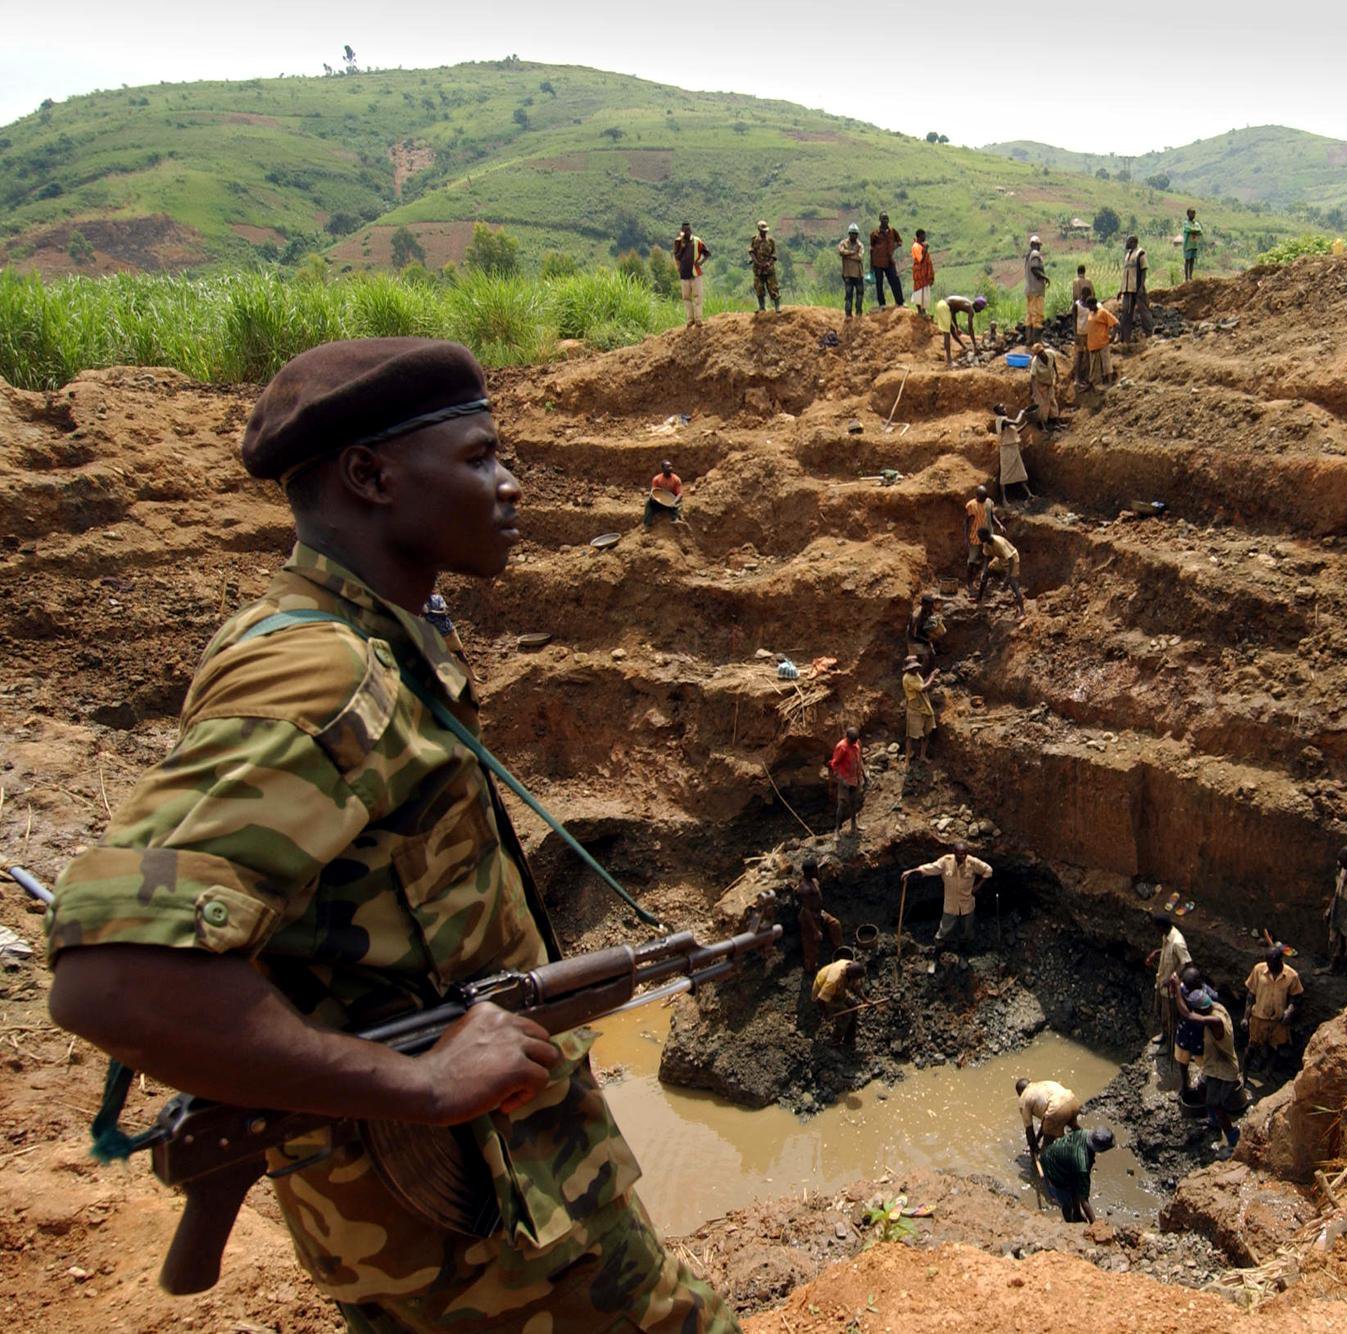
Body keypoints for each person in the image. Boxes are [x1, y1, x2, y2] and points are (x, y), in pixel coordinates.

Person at [43, 337, 737, 1331]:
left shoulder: (367, 637)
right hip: (483, 1235)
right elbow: (115, 977)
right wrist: (417, 1082)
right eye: (477, 458)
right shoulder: (322, 676)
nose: (511, 482)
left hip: (463, 1201)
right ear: (371, 475)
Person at [1180, 989, 1243, 1153]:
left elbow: (1189, 1016)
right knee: (1201, 1087)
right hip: (1213, 1065)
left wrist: (1176, 993)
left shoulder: (1216, 1022)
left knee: (1215, 1104)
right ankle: (1215, 1121)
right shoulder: (1217, 1007)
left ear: (1200, 1010)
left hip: (1223, 1070)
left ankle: (1232, 1134)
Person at [904, 843, 993, 951]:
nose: (962, 856)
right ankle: (940, 942)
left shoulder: (973, 863)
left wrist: (977, 887)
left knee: (967, 926)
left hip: (967, 903)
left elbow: (988, 870)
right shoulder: (946, 861)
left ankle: (965, 944)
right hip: (950, 903)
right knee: (945, 925)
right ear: (954, 852)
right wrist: (912, 871)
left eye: (964, 853)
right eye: (960, 854)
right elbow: (931, 868)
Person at [1242, 946, 1304, 1078]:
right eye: (1269, 963)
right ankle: (1244, 1075)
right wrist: (1245, 1018)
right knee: (1252, 1047)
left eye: (1273, 963)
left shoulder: (1292, 976)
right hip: (1259, 1017)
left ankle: (1268, 1071)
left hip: (1278, 1020)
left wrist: (1289, 1011)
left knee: (1275, 1047)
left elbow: (1296, 998)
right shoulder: (1259, 970)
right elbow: (1250, 995)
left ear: (1281, 960)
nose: (1270, 966)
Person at [1039, 1126, 1115, 1223]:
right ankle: (1069, 1222)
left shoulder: (1085, 1133)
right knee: (1066, 1201)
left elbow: (1079, 1188)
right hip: (1053, 1166)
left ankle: (1077, 1214)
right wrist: (1095, 1224)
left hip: (1063, 1158)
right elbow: (1084, 1200)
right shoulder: (1082, 1164)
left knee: (1075, 1187)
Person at [1144, 912, 1192, 1046]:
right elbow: (1168, 951)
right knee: (1160, 1012)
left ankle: (1171, 1046)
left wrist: (1173, 978)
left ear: (1162, 927)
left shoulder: (1177, 942)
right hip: (1161, 982)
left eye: (1156, 927)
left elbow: (1188, 964)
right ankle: (1164, 1035)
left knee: (1170, 1018)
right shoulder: (1167, 935)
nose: (1156, 930)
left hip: (1170, 988)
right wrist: (1157, 952)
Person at [795, 862, 845, 976]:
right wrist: (815, 931)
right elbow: (806, 911)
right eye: (815, 869)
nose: (818, 871)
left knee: (835, 924)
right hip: (809, 918)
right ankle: (810, 969)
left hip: (819, 912)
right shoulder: (804, 889)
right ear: (810, 872)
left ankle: (840, 950)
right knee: (811, 946)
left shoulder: (814, 881)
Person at [1016, 1077, 1081, 1158]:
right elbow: (1045, 1120)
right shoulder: (1043, 1084)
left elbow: (1029, 1129)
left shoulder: (1024, 1097)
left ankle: (1045, 1162)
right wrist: (1038, 1139)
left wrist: (1033, 1150)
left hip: (1057, 1108)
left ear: (1020, 1092)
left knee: (1047, 1143)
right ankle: (1087, 1142)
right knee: (1075, 1127)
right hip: (1072, 1100)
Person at [1170, 965, 1209, 1099]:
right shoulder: (1182, 987)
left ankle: (1206, 1087)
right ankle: (1184, 1084)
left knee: (1205, 1064)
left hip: (1200, 1034)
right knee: (1182, 1059)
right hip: (1185, 1031)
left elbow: (1186, 1012)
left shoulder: (1206, 993)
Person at [812, 958, 866, 1047]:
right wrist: (825, 1013)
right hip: (823, 993)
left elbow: (856, 987)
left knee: (854, 1007)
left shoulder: (849, 967)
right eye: (856, 978)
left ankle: (849, 1039)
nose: (857, 980)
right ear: (851, 975)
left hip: (837, 991)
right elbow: (821, 999)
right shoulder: (834, 980)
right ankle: (834, 1040)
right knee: (846, 1016)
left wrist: (865, 1000)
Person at [992, 403, 1034, 504]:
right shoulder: (1002, 420)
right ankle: (1004, 500)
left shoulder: (1005, 421)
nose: (1005, 409)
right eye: (1002, 408)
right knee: (1005, 475)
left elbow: (1016, 432)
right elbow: (1016, 422)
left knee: (1021, 472)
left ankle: (1029, 494)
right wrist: (1021, 413)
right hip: (1006, 450)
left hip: (1013, 449)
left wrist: (1026, 424)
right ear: (998, 412)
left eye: (1004, 407)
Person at [975, 527, 1025, 611]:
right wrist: (984, 570)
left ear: (986, 535)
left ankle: (1022, 611)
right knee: (986, 574)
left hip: (1012, 558)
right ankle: (978, 598)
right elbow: (987, 557)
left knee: (1013, 583)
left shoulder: (999, 543)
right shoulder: (986, 543)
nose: (979, 539)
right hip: (1001, 558)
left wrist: (1007, 578)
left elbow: (1010, 560)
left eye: (980, 537)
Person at [901, 656, 940, 760]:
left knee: (927, 733)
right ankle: (907, 758)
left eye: (916, 667)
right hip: (915, 710)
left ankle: (922, 755)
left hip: (925, 707)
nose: (916, 670)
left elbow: (922, 683)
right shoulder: (908, 678)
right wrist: (932, 676)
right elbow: (923, 688)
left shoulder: (916, 675)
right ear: (908, 669)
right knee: (911, 735)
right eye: (913, 668)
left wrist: (930, 678)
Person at [829, 725, 865, 833]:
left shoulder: (857, 743)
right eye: (852, 741)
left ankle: (854, 826)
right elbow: (834, 764)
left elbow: (859, 759)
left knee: (854, 803)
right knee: (842, 804)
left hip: (855, 778)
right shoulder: (842, 747)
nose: (854, 743)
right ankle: (837, 829)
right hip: (845, 780)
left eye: (855, 741)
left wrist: (863, 774)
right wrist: (841, 779)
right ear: (847, 737)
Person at [672, 223, 710, 327]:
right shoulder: (678, 242)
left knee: (698, 297)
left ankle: (698, 319)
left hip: (695, 273)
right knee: (686, 298)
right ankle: (690, 319)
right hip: (684, 274)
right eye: (685, 231)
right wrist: (682, 247)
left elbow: (707, 253)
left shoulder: (697, 241)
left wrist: (701, 263)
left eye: (688, 230)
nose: (687, 233)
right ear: (682, 232)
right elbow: (677, 256)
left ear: (691, 231)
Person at [1081, 294, 1118, 387]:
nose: (1089, 308)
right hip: (1093, 344)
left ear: (1094, 304)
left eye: (1089, 306)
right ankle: (1096, 384)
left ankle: (1109, 382)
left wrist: (1113, 336)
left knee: (1106, 363)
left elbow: (1116, 323)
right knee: (1094, 366)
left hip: (1103, 342)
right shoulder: (1091, 314)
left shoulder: (1103, 312)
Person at [869, 213, 905, 308]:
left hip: (889, 260)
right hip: (878, 261)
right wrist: (871, 265)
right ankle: (882, 304)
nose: (885, 220)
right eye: (883, 218)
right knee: (879, 283)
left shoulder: (892, 231)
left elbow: (900, 241)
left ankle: (900, 302)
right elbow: (871, 249)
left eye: (887, 218)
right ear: (879, 219)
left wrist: (894, 247)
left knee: (895, 281)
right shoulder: (875, 233)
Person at [943, 294, 988, 369]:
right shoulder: (970, 309)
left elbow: (953, 312)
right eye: (981, 309)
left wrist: (957, 327)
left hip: (944, 305)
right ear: (977, 306)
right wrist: (974, 344)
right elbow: (970, 328)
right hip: (944, 307)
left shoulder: (966, 303)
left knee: (952, 330)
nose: (980, 311)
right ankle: (949, 362)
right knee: (947, 333)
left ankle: (964, 347)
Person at [964, 484, 1000, 575]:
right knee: (972, 559)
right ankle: (969, 581)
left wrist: (999, 524)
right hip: (975, 535)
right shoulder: (971, 505)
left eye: (985, 498)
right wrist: (966, 537)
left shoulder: (989, 502)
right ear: (976, 496)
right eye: (981, 498)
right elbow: (967, 522)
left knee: (987, 556)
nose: (983, 500)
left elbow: (992, 515)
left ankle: (984, 576)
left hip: (988, 534)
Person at [1118, 235, 1148, 343]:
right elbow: (1125, 273)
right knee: (1126, 314)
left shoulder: (1140, 253)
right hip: (1127, 289)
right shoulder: (1127, 255)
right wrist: (1121, 289)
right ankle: (1125, 339)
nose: (1126, 243)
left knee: (1144, 312)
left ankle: (1150, 335)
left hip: (1136, 289)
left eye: (1128, 241)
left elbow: (1144, 271)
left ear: (1134, 242)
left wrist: (1141, 287)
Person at [749, 220, 781, 312]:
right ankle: (762, 307)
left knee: (773, 287)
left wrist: (768, 263)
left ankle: (777, 307)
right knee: (759, 288)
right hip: (758, 269)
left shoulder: (770, 241)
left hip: (769, 269)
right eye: (762, 230)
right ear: (759, 230)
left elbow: (774, 254)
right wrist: (757, 263)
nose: (764, 232)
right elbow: (751, 252)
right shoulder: (754, 240)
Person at [1028, 342, 1061, 426]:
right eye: (1039, 354)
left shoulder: (1050, 353)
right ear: (1036, 355)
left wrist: (1057, 375)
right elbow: (1032, 378)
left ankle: (1056, 421)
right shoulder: (1035, 362)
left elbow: (1054, 364)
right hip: (1041, 384)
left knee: (1052, 400)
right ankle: (1044, 425)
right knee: (1042, 404)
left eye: (1042, 352)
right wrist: (1034, 391)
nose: (1041, 354)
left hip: (1049, 382)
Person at [1023, 234, 1048, 342]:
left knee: (1029, 316)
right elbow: (1034, 268)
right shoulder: (1035, 254)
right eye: (1039, 245)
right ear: (1035, 245)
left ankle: (1029, 340)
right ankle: (1037, 340)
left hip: (1029, 290)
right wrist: (1045, 277)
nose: (1039, 247)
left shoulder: (1028, 255)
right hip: (1036, 290)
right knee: (1038, 315)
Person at [908, 591, 946, 661]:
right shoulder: (916, 616)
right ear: (924, 605)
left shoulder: (928, 610)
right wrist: (927, 640)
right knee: (927, 657)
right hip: (914, 639)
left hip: (924, 633)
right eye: (929, 606)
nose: (931, 608)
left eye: (932, 605)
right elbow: (914, 634)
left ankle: (938, 650)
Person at [646, 458, 684, 527]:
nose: (670, 468)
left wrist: (674, 502)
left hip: (671, 501)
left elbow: (680, 494)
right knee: (648, 503)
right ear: (663, 469)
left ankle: (675, 519)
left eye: (671, 466)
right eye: (668, 467)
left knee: (678, 505)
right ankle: (647, 524)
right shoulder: (657, 479)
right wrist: (653, 498)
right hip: (660, 501)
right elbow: (654, 491)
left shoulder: (676, 479)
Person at [837, 225, 865, 317]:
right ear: (849, 234)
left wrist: (847, 254)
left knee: (859, 295)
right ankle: (848, 314)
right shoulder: (843, 243)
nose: (853, 235)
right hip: (848, 274)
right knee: (848, 295)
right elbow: (841, 252)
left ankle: (858, 313)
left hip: (858, 274)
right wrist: (853, 252)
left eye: (855, 234)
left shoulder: (860, 245)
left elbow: (860, 257)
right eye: (852, 233)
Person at [910, 228, 936, 317]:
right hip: (919, 273)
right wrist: (925, 250)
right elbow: (920, 259)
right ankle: (919, 311)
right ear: (919, 236)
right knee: (918, 291)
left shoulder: (921, 245)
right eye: (923, 235)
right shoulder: (916, 246)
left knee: (925, 292)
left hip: (925, 274)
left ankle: (923, 311)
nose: (925, 237)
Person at [1180, 208, 1204, 281]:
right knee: (1187, 261)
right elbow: (1187, 229)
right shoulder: (1185, 223)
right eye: (1191, 213)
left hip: (1194, 244)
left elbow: (1200, 231)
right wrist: (1195, 230)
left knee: (1192, 261)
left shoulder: (1196, 223)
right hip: (1187, 245)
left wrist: (1193, 230)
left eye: (1194, 213)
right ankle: (1186, 277)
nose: (1193, 215)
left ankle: (1190, 276)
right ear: (1188, 214)